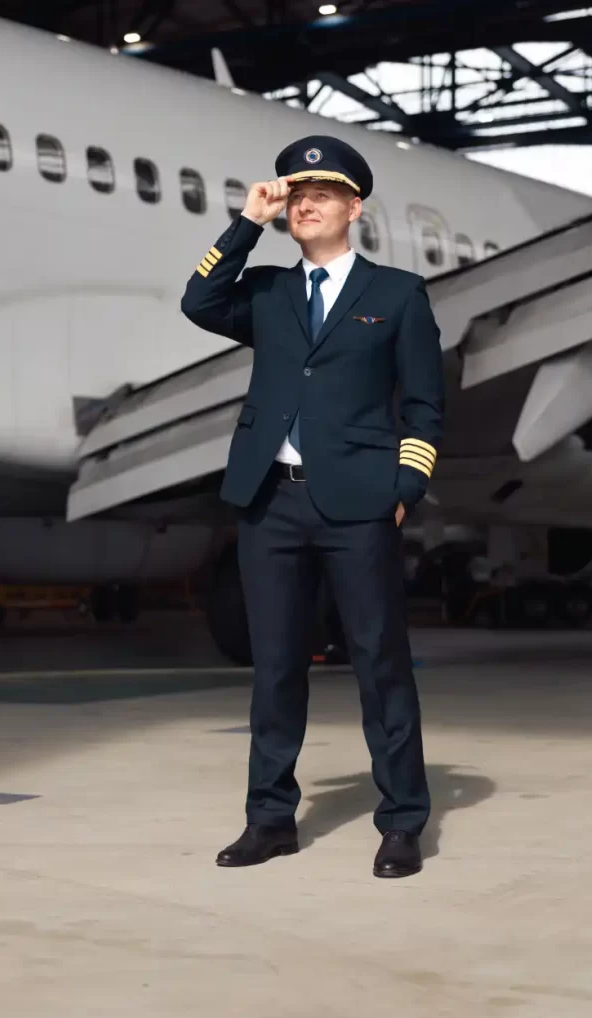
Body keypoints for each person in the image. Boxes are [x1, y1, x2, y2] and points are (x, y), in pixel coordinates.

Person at [180, 134, 445, 879]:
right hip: (271, 503)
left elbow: (425, 406)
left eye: (321, 193)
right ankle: (270, 819)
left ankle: (401, 823)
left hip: (360, 506)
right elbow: (198, 301)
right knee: (274, 668)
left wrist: (404, 490)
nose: (305, 203)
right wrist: (244, 223)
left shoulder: (396, 296)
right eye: (296, 193)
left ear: (354, 207)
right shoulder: (266, 294)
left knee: (380, 663)